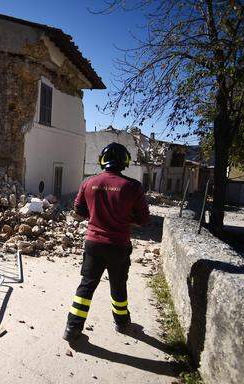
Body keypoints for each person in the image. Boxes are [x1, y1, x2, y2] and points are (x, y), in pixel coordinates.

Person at [63, 142, 150, 342]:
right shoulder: (133, 186)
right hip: (119, 245)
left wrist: (96, 215)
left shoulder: (89, 182)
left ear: (102, 160)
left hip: (93, 244)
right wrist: (126, 218)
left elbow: (78, 210)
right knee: (118, 285)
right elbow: (144, 219)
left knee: (86, 285)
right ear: (125, 161)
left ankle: (72, 328)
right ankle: (121, 322)